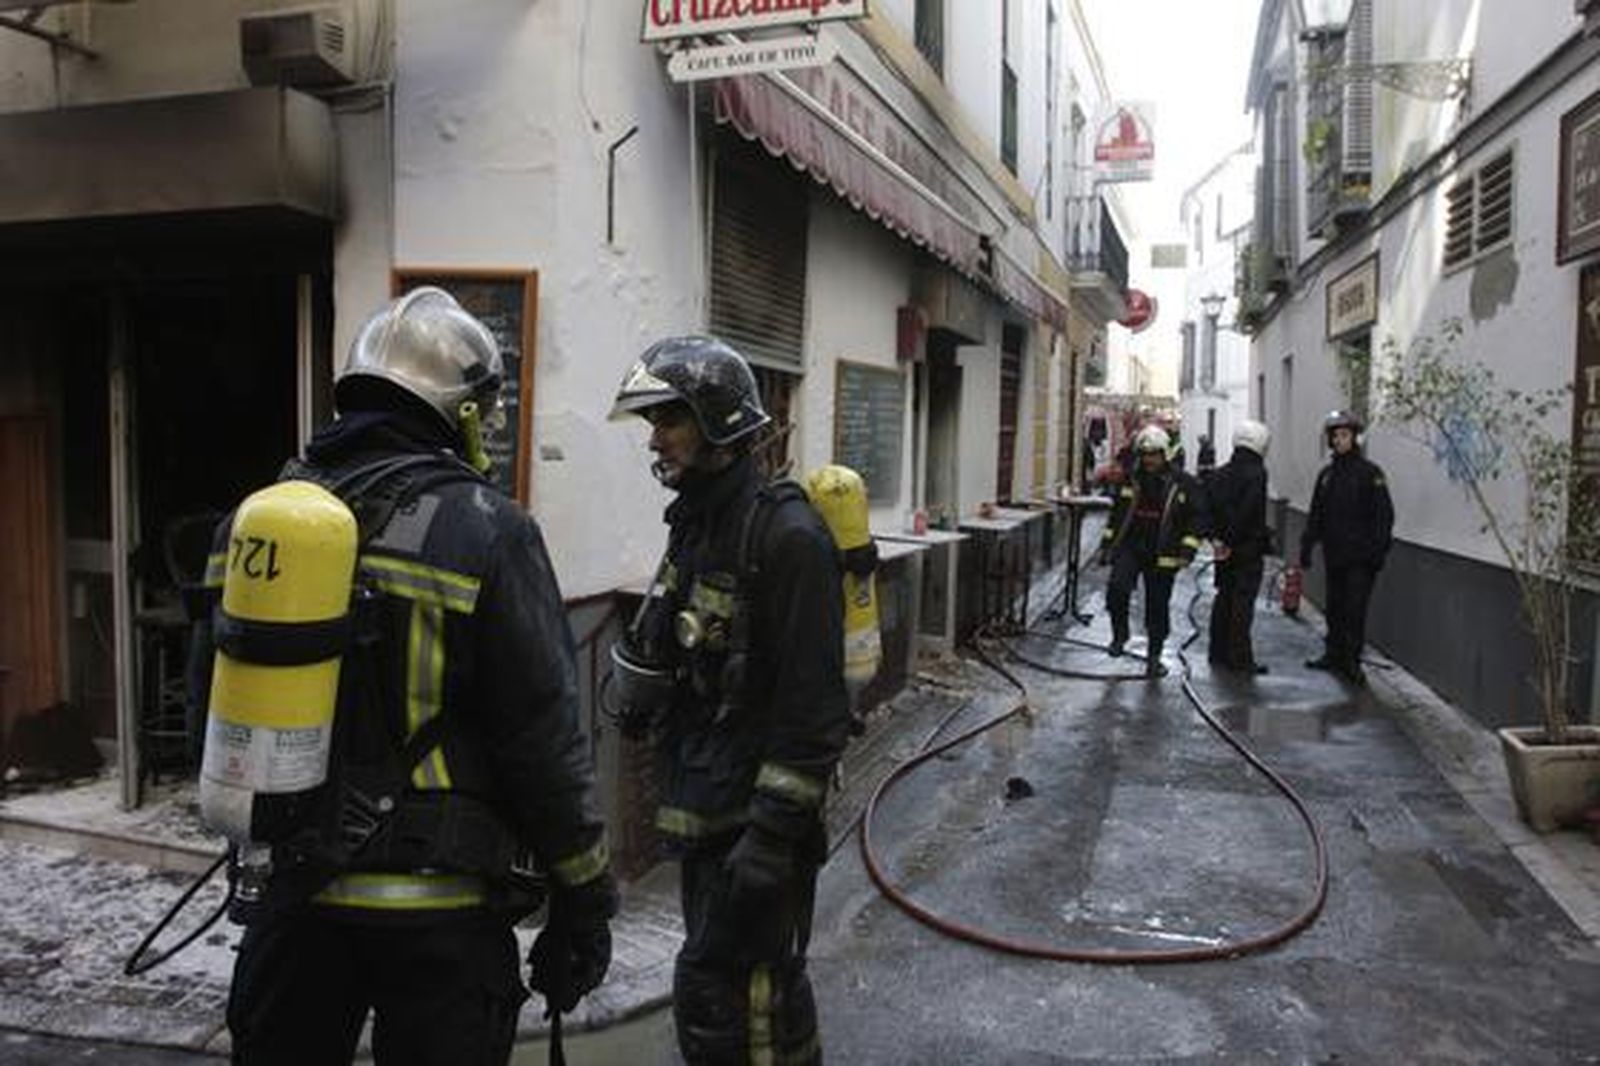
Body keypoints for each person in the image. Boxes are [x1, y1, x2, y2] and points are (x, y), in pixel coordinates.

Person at [192, 288, 616, 1065]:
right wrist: (585, 897)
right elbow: (544, 739)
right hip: (442, 924)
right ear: (459, 415)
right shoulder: (489, 529)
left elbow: (208, 714)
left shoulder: (254, 524)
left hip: (295, 907)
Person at [608, 336, 852, 1066]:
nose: (656, 438)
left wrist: (772, 841)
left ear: (717, 424)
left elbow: (816, 714)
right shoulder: (698, 524)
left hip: (753, 831)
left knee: (747, 1004)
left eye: (670, 419)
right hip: (709, 819)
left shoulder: (788, 536)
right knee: (721, 993)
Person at [1096, 425, 1208, 678]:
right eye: (1145, 454)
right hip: (1131, 547)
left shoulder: (1183, 484)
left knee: (1157, 607)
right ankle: (1120, 634)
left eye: (1154, 454)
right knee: (1117, 588)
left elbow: (1198, 518)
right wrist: (1106, 545)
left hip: (1164, 552)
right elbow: (1118, 515)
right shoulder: (1132, 479)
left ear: (1165, 454)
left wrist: (1188, 549)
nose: (1149, 460)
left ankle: (1154, 657)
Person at [1299, 409, 1394, 686]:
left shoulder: (1370, 474)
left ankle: (1351, 661)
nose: (1340, 440)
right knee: (1335, 607)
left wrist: (1376, 553)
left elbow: (1384, 516)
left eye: (1345, 435)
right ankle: (1333, 654)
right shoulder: (1327, 476)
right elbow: (1316, 513)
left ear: (1355, 438)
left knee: (1355, 610)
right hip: (1335, 555)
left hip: (1361, 559)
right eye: (1335, 436)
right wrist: (1307, 545)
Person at [1206, 419, 1272, 674]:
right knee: (1242, 603)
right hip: (1247, 548)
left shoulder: (1220, 474)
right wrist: (1235, 540)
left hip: (1223, 548)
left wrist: (1218, 541)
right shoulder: (1257, 473)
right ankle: (1240, 658)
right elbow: (1249, 511)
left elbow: (1209, 510)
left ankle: (1217, 652)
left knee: (1223, 598)